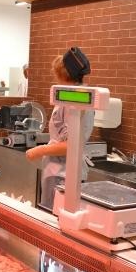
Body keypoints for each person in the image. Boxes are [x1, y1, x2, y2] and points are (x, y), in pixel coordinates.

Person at [25, 47, 95, 210]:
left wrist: (40, 150)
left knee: (55, 217)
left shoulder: (75, 99)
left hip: (63, 173)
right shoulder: (72, 95)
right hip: (59, 170)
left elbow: (70, 146)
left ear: (63, 74)